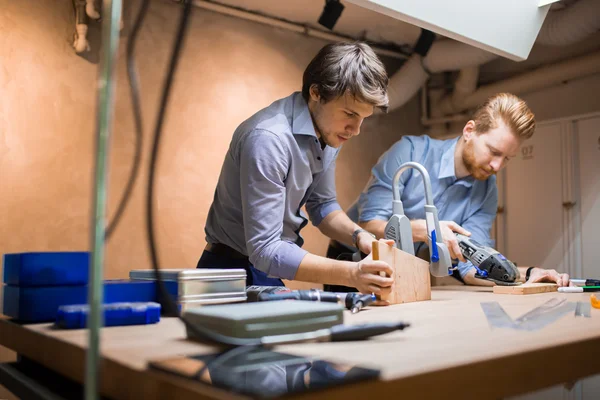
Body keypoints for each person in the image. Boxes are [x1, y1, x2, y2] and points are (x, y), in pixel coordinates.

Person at [198, 42, 394, 296]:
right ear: (316, 93)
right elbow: (266, 249)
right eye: (349, 114)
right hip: (227, 270)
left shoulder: (328, 132)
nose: (355, 130)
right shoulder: (269, 139)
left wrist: (359, 235)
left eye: (362, 118)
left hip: (265, 267)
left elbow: (323, 206)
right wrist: (351, 273)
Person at [325, 92, 572, 291]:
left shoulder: (486, 191)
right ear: (469, 131)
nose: (497, 166)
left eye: (507, 158)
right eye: (494, 152)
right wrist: (429, 230)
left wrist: (524, 274)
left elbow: (472, 266)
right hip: (352, 255)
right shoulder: (409, 152)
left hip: (406, 267)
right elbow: (369, 223)